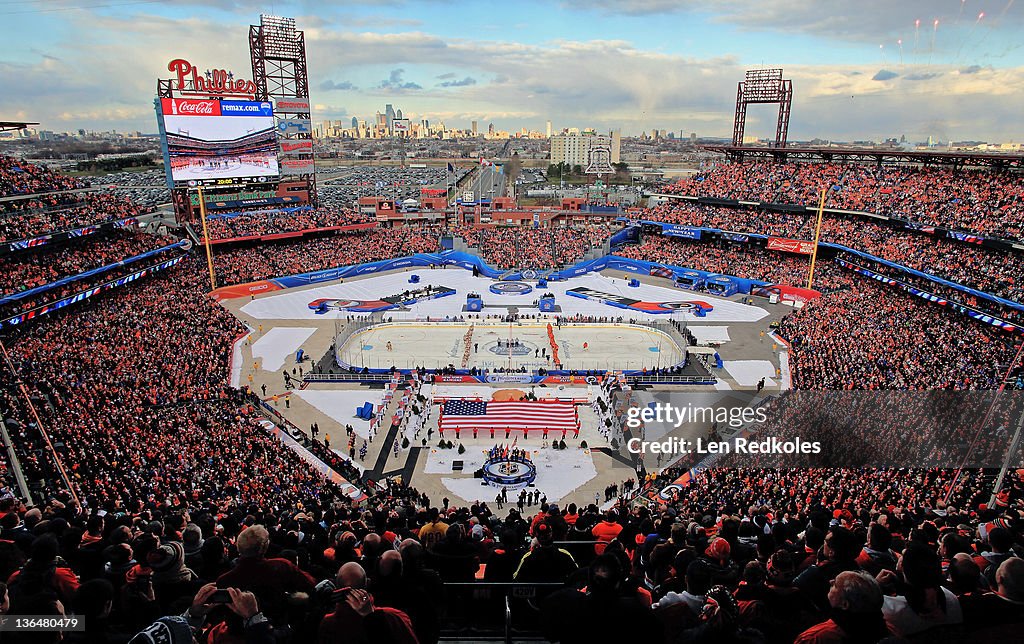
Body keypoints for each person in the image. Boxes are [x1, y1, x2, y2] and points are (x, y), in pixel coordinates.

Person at [794, 571, 891, 643]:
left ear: (844, 604)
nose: (830, 581)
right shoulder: (890, 630)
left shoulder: (813, 639)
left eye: (835, 584)